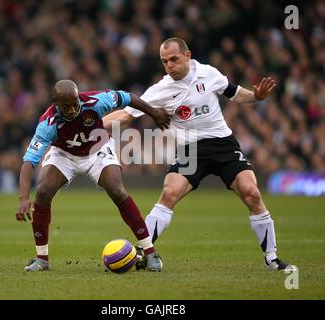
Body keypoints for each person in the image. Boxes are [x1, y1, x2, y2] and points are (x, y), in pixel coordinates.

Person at [103, 37, 292, 270]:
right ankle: (145, 252)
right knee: (169, 193)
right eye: (164, 61)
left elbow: (235, 93)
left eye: (174, 59)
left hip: (223, 144)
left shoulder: (208, 73)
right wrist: (92, 125)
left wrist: (256, 96)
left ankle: (271, 258)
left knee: (252, 193)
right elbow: (125, 115)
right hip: (191, 150)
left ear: (187, 56)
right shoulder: (161, 89)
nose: (169, 65)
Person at [16, 79, 171, 272]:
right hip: (64, 154)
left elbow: (128, 97)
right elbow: (29, 160)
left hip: (98, 149)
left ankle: (150, 253)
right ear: (55, 104)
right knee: (43, 191)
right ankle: (42, 259)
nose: (73, 109)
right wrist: (23, 197)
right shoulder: (47, 124)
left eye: (75, 103)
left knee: (117, 190)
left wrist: (154, 112)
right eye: (67, 106)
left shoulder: (96, 101)